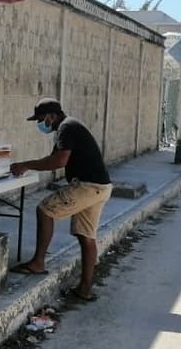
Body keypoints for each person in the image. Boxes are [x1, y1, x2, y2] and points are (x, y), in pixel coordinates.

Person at [9, 98, 112, 302]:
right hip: (100, 186)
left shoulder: (66, 128)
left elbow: (58, 161)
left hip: (88, 186)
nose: (40, 124)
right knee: (86, 236)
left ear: (51, 116)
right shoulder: (68, 127)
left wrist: (25, 165)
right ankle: (85, 288)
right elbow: (54, 157)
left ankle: (38, 263)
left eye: (41, 119)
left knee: (45, 210)